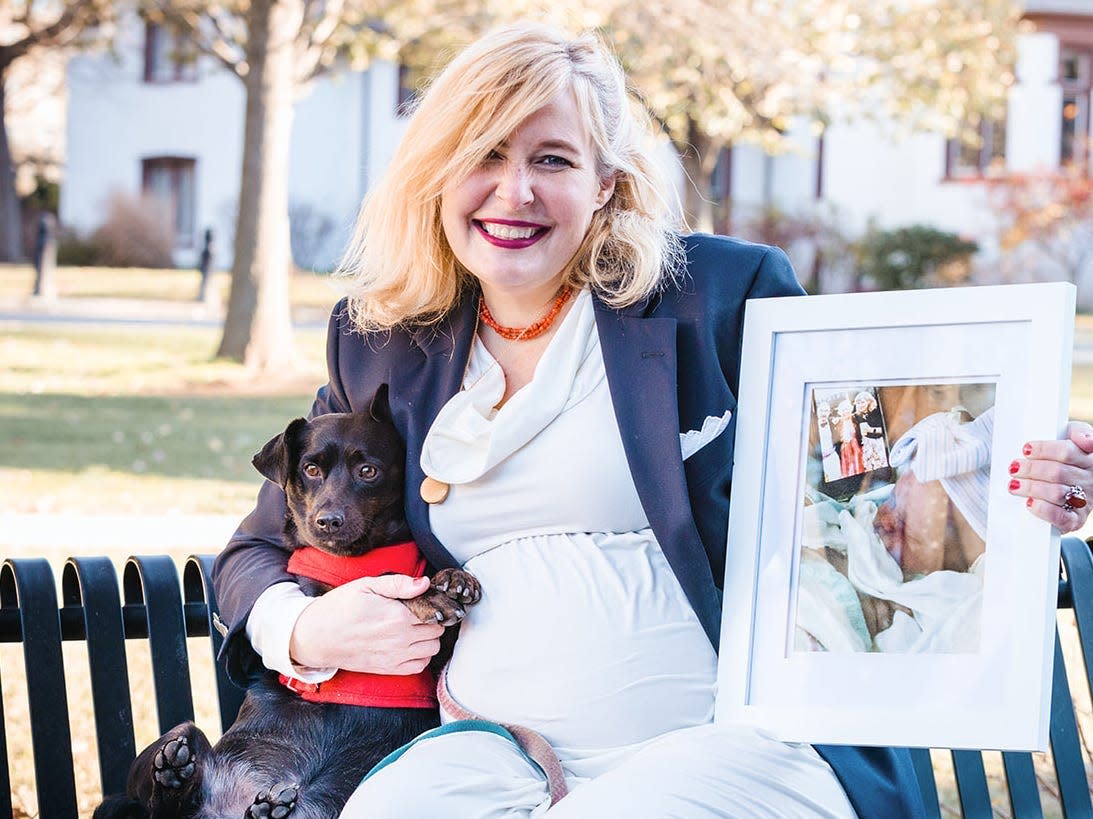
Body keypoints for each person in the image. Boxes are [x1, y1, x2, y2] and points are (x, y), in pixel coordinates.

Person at [212, 22, 1093, 818]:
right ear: (436, 176)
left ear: (606, 184)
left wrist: (1015, 476)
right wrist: (304, 626)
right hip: (498, 751)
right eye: (483, 154)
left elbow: (867, 463)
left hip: (733, 743)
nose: (513, 191)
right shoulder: (386, 348)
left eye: (552, 160)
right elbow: (255, 552)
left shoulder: (716, 296)